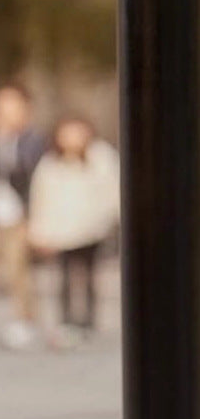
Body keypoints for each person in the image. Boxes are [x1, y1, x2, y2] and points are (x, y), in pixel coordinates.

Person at [28, 115, 120, 346]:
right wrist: (40, 230)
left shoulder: (101, 157)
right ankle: (67, 320)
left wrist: (109, 219)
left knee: (88, 274)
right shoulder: (51, 163)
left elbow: (112, 191)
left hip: (91, 228)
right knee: (65, 276)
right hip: (62, 230)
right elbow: (41, 198)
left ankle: (87, 320)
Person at [0, 82, 47, 348]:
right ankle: (22, 318)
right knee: (10, 270)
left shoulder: (33, 140)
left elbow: (32, 177)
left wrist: (32, 218)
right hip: (0, 213)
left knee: (19, 270)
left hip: (21, 214)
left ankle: (26, 321)